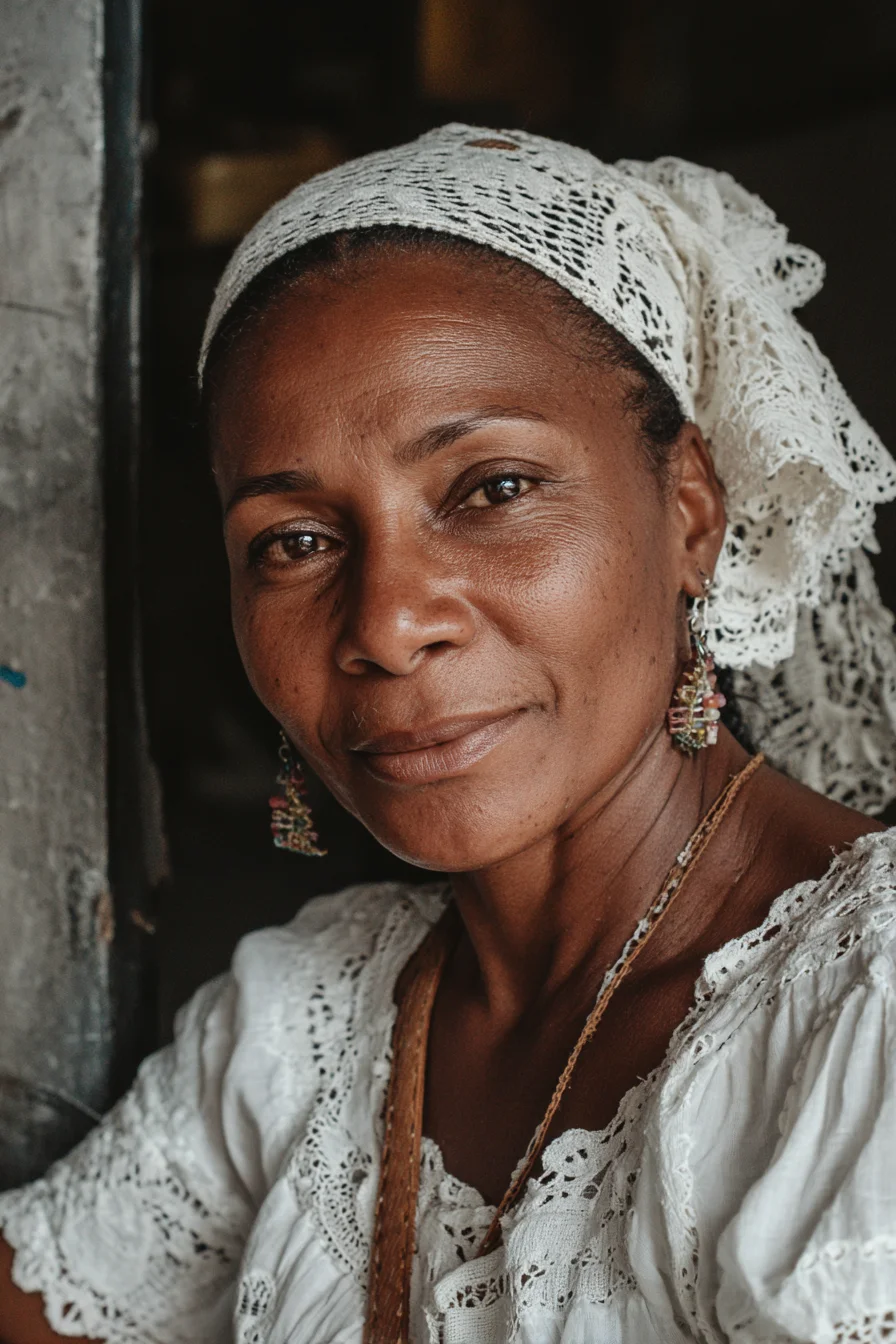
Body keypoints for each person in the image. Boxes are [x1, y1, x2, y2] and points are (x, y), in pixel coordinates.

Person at [2, 123, 896, 1344]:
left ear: (690, 510)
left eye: (493, 489)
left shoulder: (863, 1013)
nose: (383, 623)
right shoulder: (311, 1020)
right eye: (294, 542)